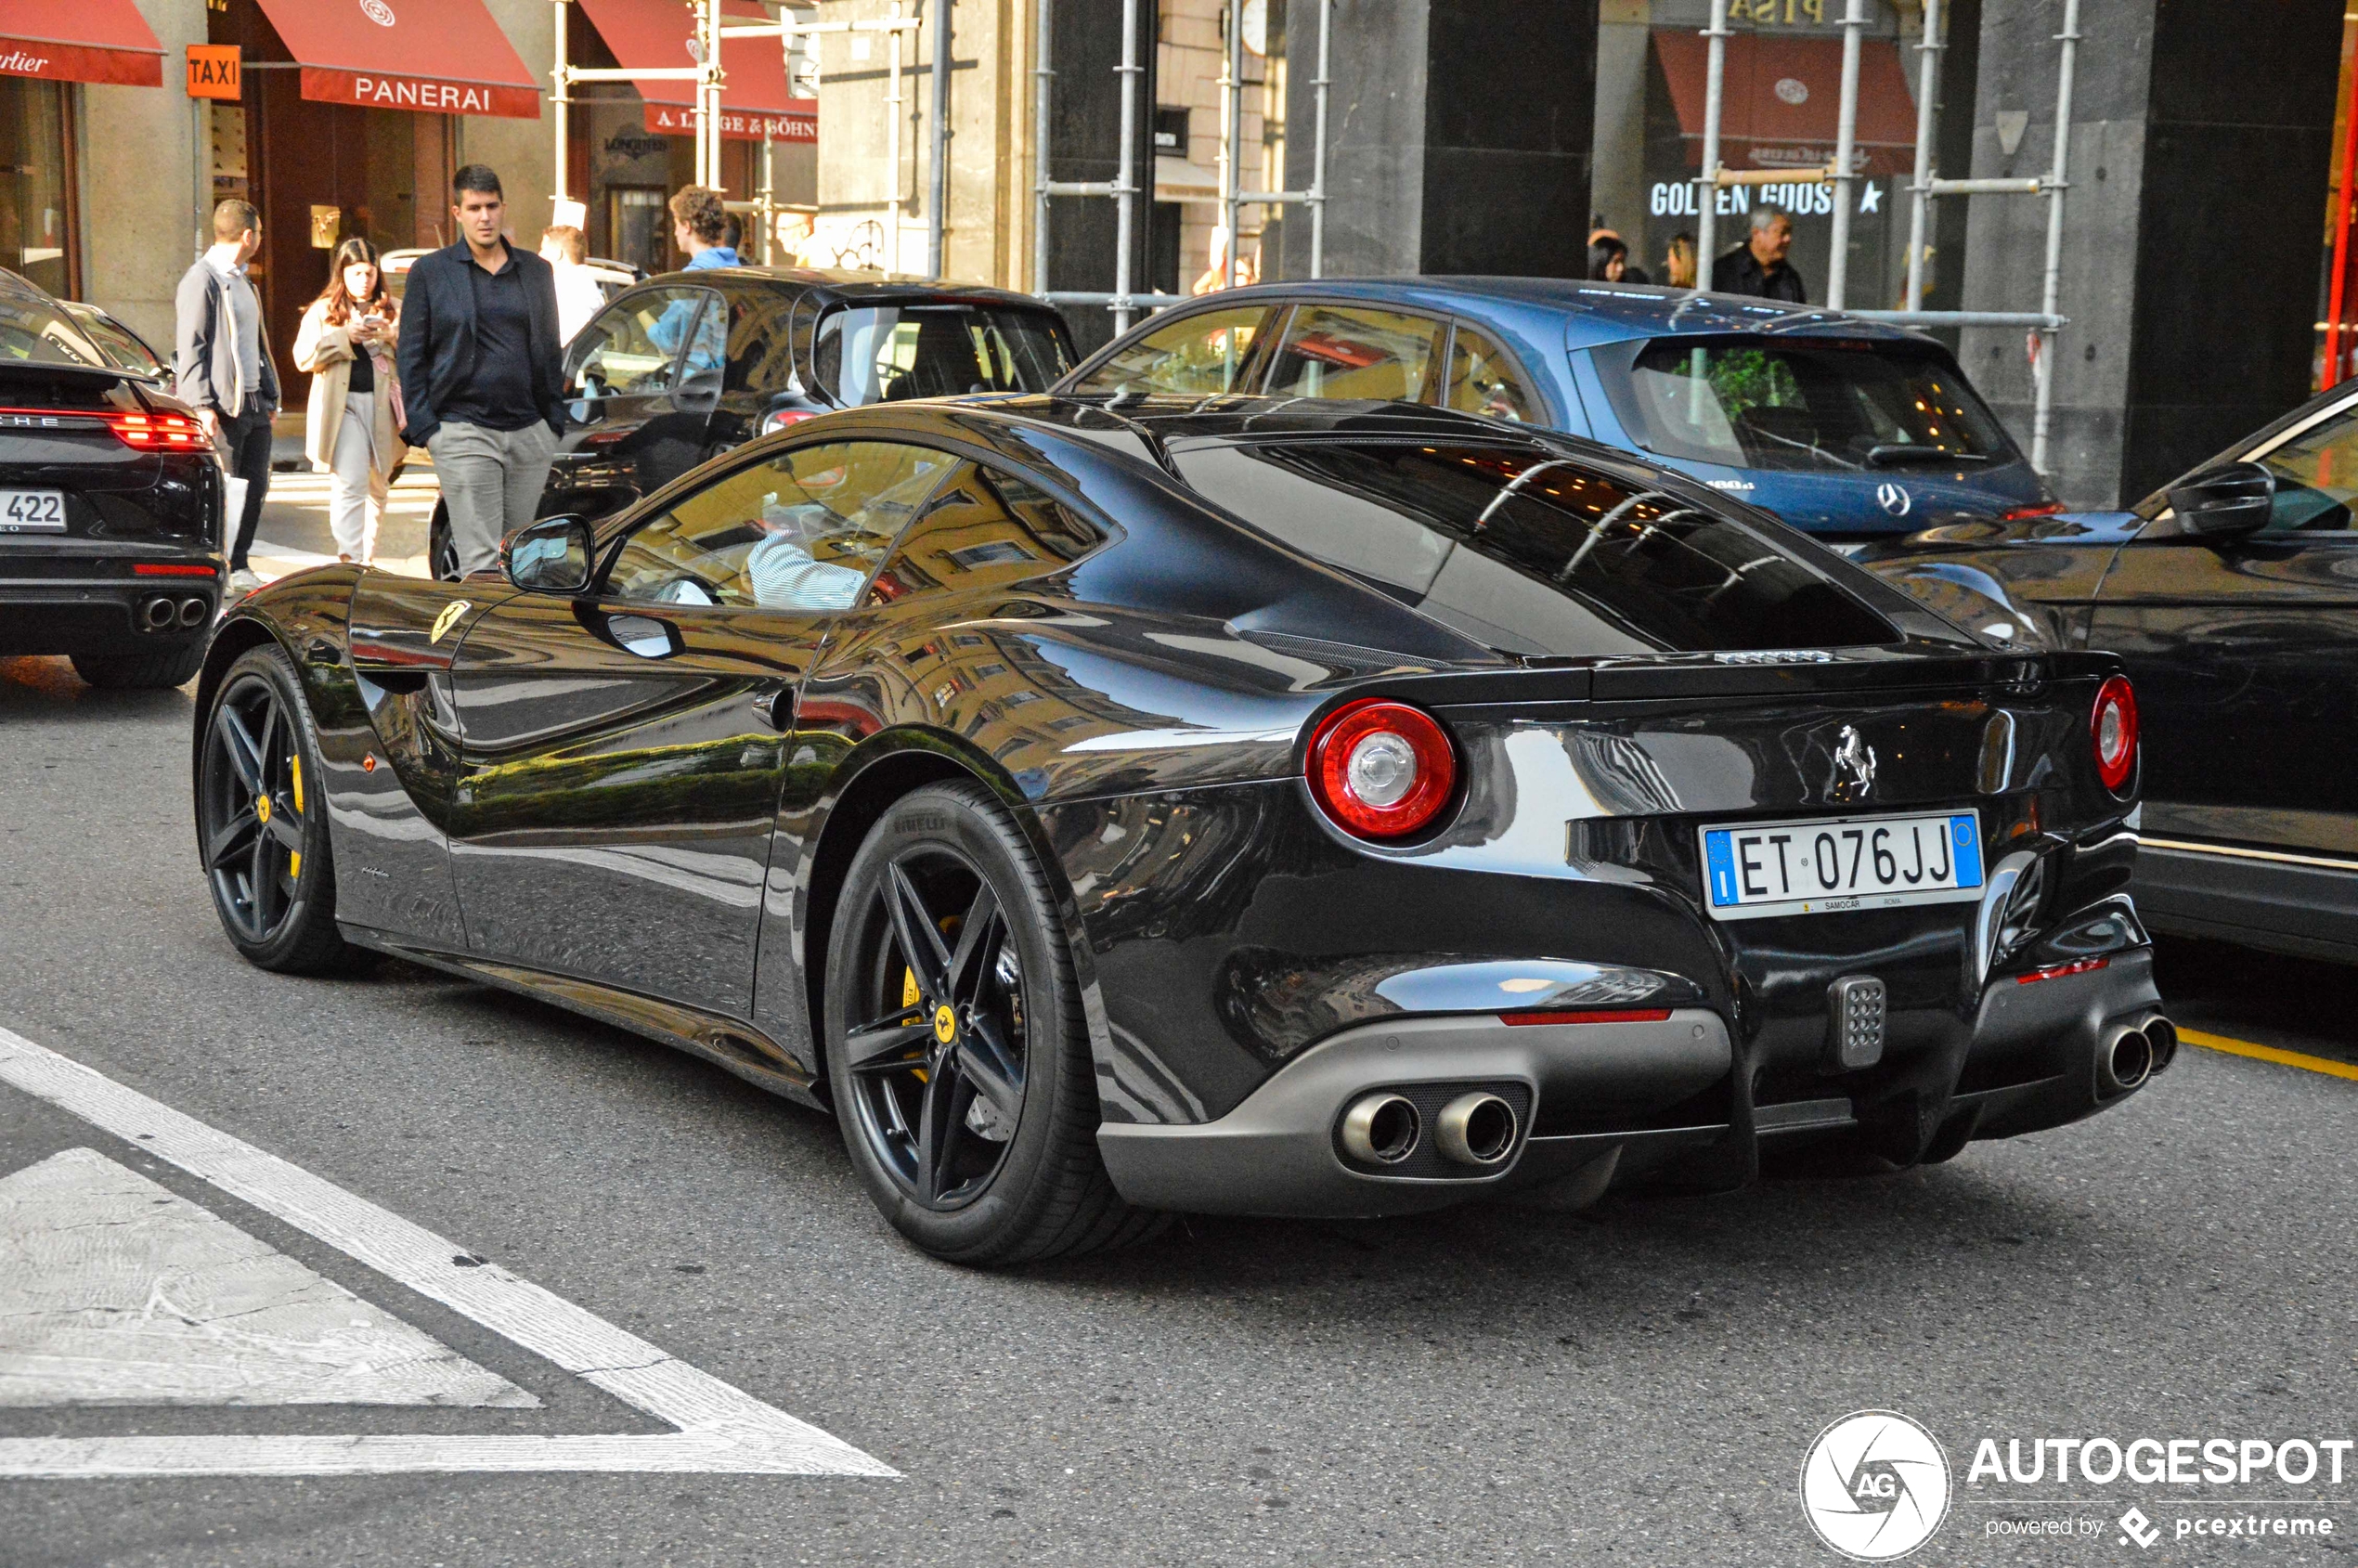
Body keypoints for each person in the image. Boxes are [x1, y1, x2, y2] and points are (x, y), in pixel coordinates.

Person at [395, 164, 566, 578]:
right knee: (483, 564)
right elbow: (411, 354)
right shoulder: (431, 273)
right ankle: (480, 645)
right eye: (474, 208)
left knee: (523, 561)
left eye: (491, 206)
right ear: (457, 213)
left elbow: (548, 347)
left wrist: (551, 422)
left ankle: (517, 641)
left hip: (529, 432)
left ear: (504, 208)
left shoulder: (535, 270)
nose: (484, 217)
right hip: (462, 430)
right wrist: (428, 428)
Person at [175, 199, 280, 595]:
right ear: (249, 235)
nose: (261, 240)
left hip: (254, 402)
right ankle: (219, 567)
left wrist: (269, 397)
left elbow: (256, 344)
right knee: (227, 489)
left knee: (255, 487)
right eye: (260, 233)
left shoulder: (243, 280)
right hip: (223, 405)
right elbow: (192, 346)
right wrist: (201, 405)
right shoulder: (202, 280)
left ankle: (241, 563)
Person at [293, 238, 403, 566]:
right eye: (356, 273)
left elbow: (422, 353)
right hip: (343, 409)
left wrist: (392, 336)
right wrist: (345, 337)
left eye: (369, 273)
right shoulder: (324, 310)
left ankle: (365, 561)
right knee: (350, 481)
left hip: (384, 407)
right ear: (342, 274)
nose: (364, 280)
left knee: (378, 484)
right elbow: (303, 357)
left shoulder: (394, 308)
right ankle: (350, 561)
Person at [1710, 209, 1807, 303]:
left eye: (1789, 233)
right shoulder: (1724, 272)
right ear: (1756, 233)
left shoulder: (1790, 278)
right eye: (1782, 233)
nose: (1788, 239)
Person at [538, 224, 604, 344]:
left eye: (543, 249)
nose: (539, 255)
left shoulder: (570, 290)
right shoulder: (583, 284)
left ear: (558, 254)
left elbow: (569, 343)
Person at [671, 187, 739, 269]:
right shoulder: (735, 266)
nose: (675, 233)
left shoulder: (692, 275)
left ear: (686, 226)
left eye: (677, 225)